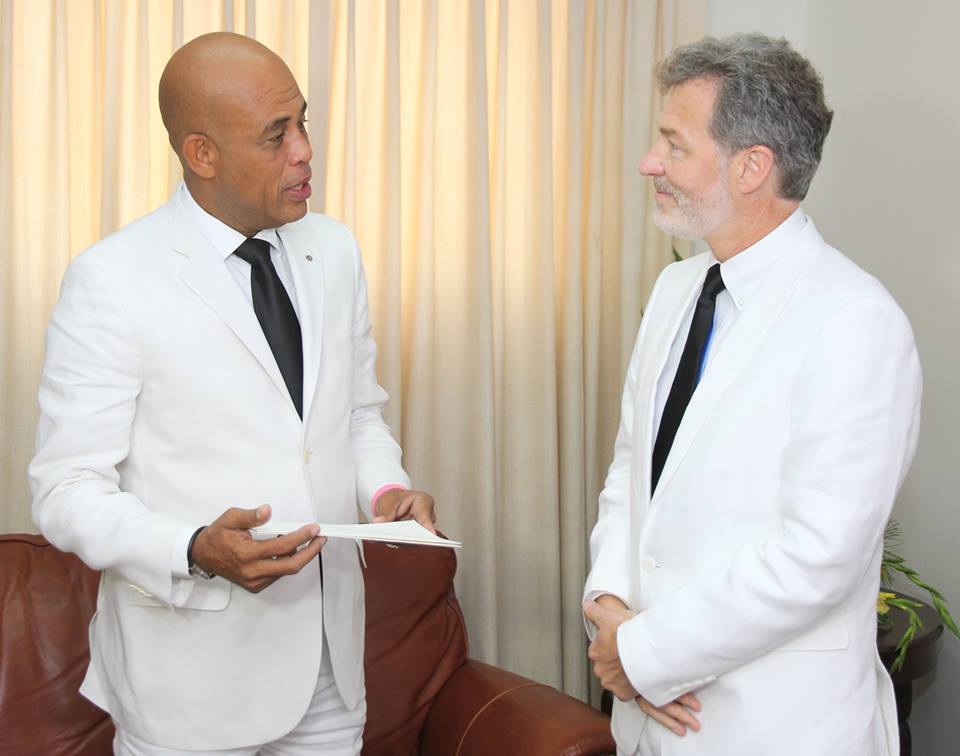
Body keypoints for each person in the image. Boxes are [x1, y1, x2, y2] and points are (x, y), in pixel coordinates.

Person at [29, 32, 435, 755]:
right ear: (202, 154)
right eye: (276, 135)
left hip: (329, 671)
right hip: (188, 689)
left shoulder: (333, 249)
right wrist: (191, 547)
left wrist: (386, 492)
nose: (305, 150)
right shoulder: (111, 280)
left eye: (302, 122)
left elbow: (354, 415)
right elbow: (65, 490)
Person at [582, 34, 921, 756]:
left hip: (772, 727)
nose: (650, 161)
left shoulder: (856, 321)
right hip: (648, 717)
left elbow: (818, 555)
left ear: (751, 168)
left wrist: (645, 653)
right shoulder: (676, 288)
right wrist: (608, 607)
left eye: (674, 144)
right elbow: (632, 470)